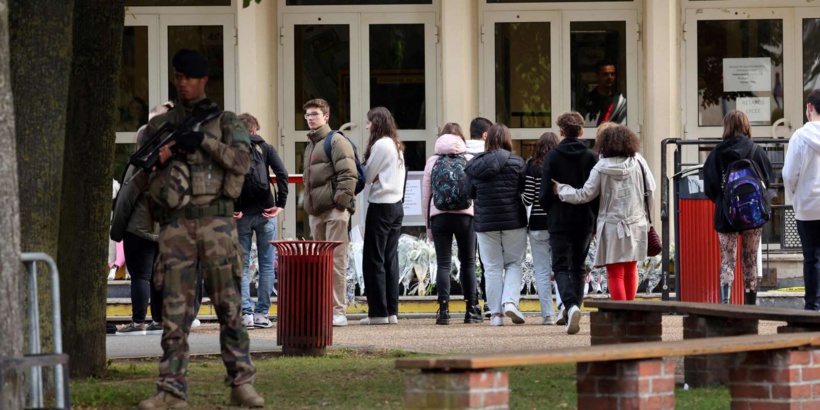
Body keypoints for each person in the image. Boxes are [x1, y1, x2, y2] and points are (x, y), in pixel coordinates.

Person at [137, 49, 263, 409]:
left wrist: (204, 142)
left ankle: (242, 384)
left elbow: (242, 162)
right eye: (178, 76)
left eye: (189, 77)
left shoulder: (225, 122)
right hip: (176, 226)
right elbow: (145, 182)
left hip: (218, 223)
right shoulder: (161, 127)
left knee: (230, 306)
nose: (183, 83)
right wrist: (159, 164)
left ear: (204, 80)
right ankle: (171, 390)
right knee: (174, 313)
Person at [553, 125, 654, 301]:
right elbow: (651, 190)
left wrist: (561, 189)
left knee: (615, 272)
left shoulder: (601, 167)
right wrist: (646, 216)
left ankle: (621, 316)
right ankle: (632, 315)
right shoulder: (639, 161)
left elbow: (584, 194)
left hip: (610, 226)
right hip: (636, 222)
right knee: (631, 269)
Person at [111, 103, 171, 336]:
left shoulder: (139, 164)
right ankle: (158, 320)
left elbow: (125, 200)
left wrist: (116, 232)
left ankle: (138, 323)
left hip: (138, 229)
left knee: (140, 276)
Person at [703, 110, 772, 305]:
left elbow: (709, 187)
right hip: (753, 213)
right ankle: (750, 307)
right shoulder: (757, 150)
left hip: (726, 214)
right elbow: (768, 180)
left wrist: (723, 202)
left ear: (727, 127)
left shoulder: (716, 154)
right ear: (747, 126)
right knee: (749, 260)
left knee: (728, 261)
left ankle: (726, 304)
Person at [539, 112, 599, 335]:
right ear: (582, 131)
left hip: (559, 218)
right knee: (578, 267)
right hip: (584, 219)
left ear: (561, 132)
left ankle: (570, 306)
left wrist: (550, 209)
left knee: (560, 266)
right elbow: (596, 193)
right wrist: (594, 221)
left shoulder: (552, 156)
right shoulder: (591, 157)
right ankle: (574, 309)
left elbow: (544, 193)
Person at [302, 98, 357, 327]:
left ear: (326, 116)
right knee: (320, 263)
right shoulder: (311, 144)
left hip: (334, 211)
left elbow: (348, 173)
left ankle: (338, 311)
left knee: (336, 262)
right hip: (317, 212)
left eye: (314, 114)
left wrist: (340, 204)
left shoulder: (335, 140)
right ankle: (324, 309)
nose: (310, 118)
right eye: (307, 115)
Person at [466, 123, 528, 326]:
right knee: (513, 264)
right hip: (513, 221)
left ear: (488, 139)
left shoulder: (475, 164)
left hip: (485, 223)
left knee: (491, 267)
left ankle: (496, 315)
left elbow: (468, 193)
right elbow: (523, 190)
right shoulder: (517, 162)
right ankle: (510, 301)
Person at [422, 123, 482, 325]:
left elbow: (426, 196)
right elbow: (476, 192)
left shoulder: (432, 161)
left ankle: (444, 310)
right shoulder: (469, 159)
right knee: (468, 262)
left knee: (444, 263)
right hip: (466, 216)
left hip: (439, 216)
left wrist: (428, 225)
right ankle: (471, 309)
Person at [234, 112, 289, 329]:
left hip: (242, 216)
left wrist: (232, 208)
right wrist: (280, 204)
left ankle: (245, 314)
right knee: (267, 264)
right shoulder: (265, 148)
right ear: (254, 130)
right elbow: (282, 174)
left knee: (242, 264)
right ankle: (262, 315)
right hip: (267, 212)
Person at [360, 107, 406, 325]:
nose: (367, 126)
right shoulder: (396, 144)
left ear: (376, 123)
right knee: (390, 259)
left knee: (374, 259)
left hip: (381, 206)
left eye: (369, 122)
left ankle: (377, 312)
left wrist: (372, 174)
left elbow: (367, 177)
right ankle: (391, 311)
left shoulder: (380, 144)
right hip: (397, 206)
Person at [782, 90, 820, 310]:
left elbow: (788, 175)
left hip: (807, 206)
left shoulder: (800, 137)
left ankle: (812, 307)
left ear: (810, 107)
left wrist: (795, 196)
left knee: (811, 258)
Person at [522, 132, 561, 324]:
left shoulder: (533, 167)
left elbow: (528, 198)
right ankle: (564, 309)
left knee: (542, 271)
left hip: (537, 225)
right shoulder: (560, 165)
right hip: (558, 223)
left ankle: (548, 314)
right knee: (561, 268)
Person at [466, 117, 493, 318]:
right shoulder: (489, 155)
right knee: (488, 262)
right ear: (485, 135)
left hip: (464, 212)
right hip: (485, 212)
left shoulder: (459, 152)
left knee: (467, 260)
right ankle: (490, 303)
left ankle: (472, 303)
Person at [582, 61, 627, 127]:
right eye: (605, 74)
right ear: (597, 76)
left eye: (612, 74)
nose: (610, 77)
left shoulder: (620, 101)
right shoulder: (587, 100)